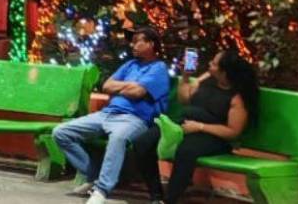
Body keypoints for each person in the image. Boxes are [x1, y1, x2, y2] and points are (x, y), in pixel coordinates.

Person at [51, 27, 171, 204]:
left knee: (118, 138)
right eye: (132, 42)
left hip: (134, 119)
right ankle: (93, 176)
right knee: (61, 132)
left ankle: (101, 190)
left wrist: (123, 87)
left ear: (151, 44)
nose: (132, 45)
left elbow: (137, 92)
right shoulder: (130, 65)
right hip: (107, 113)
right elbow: (106, 86)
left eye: (137, 41)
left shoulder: (158, 68)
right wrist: (130, 86)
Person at [134, 49, 259, 204]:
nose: (210, 64)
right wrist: (185, 77)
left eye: (214, 64)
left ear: (224, 72)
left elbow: (233, 131)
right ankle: (156, 194)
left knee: (185, 150)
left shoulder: (237, 98)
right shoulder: (208, 78)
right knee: (142, 143)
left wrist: (200, 127)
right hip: (186, 124)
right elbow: (185, 99)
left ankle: (170, 200)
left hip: (213, 136)